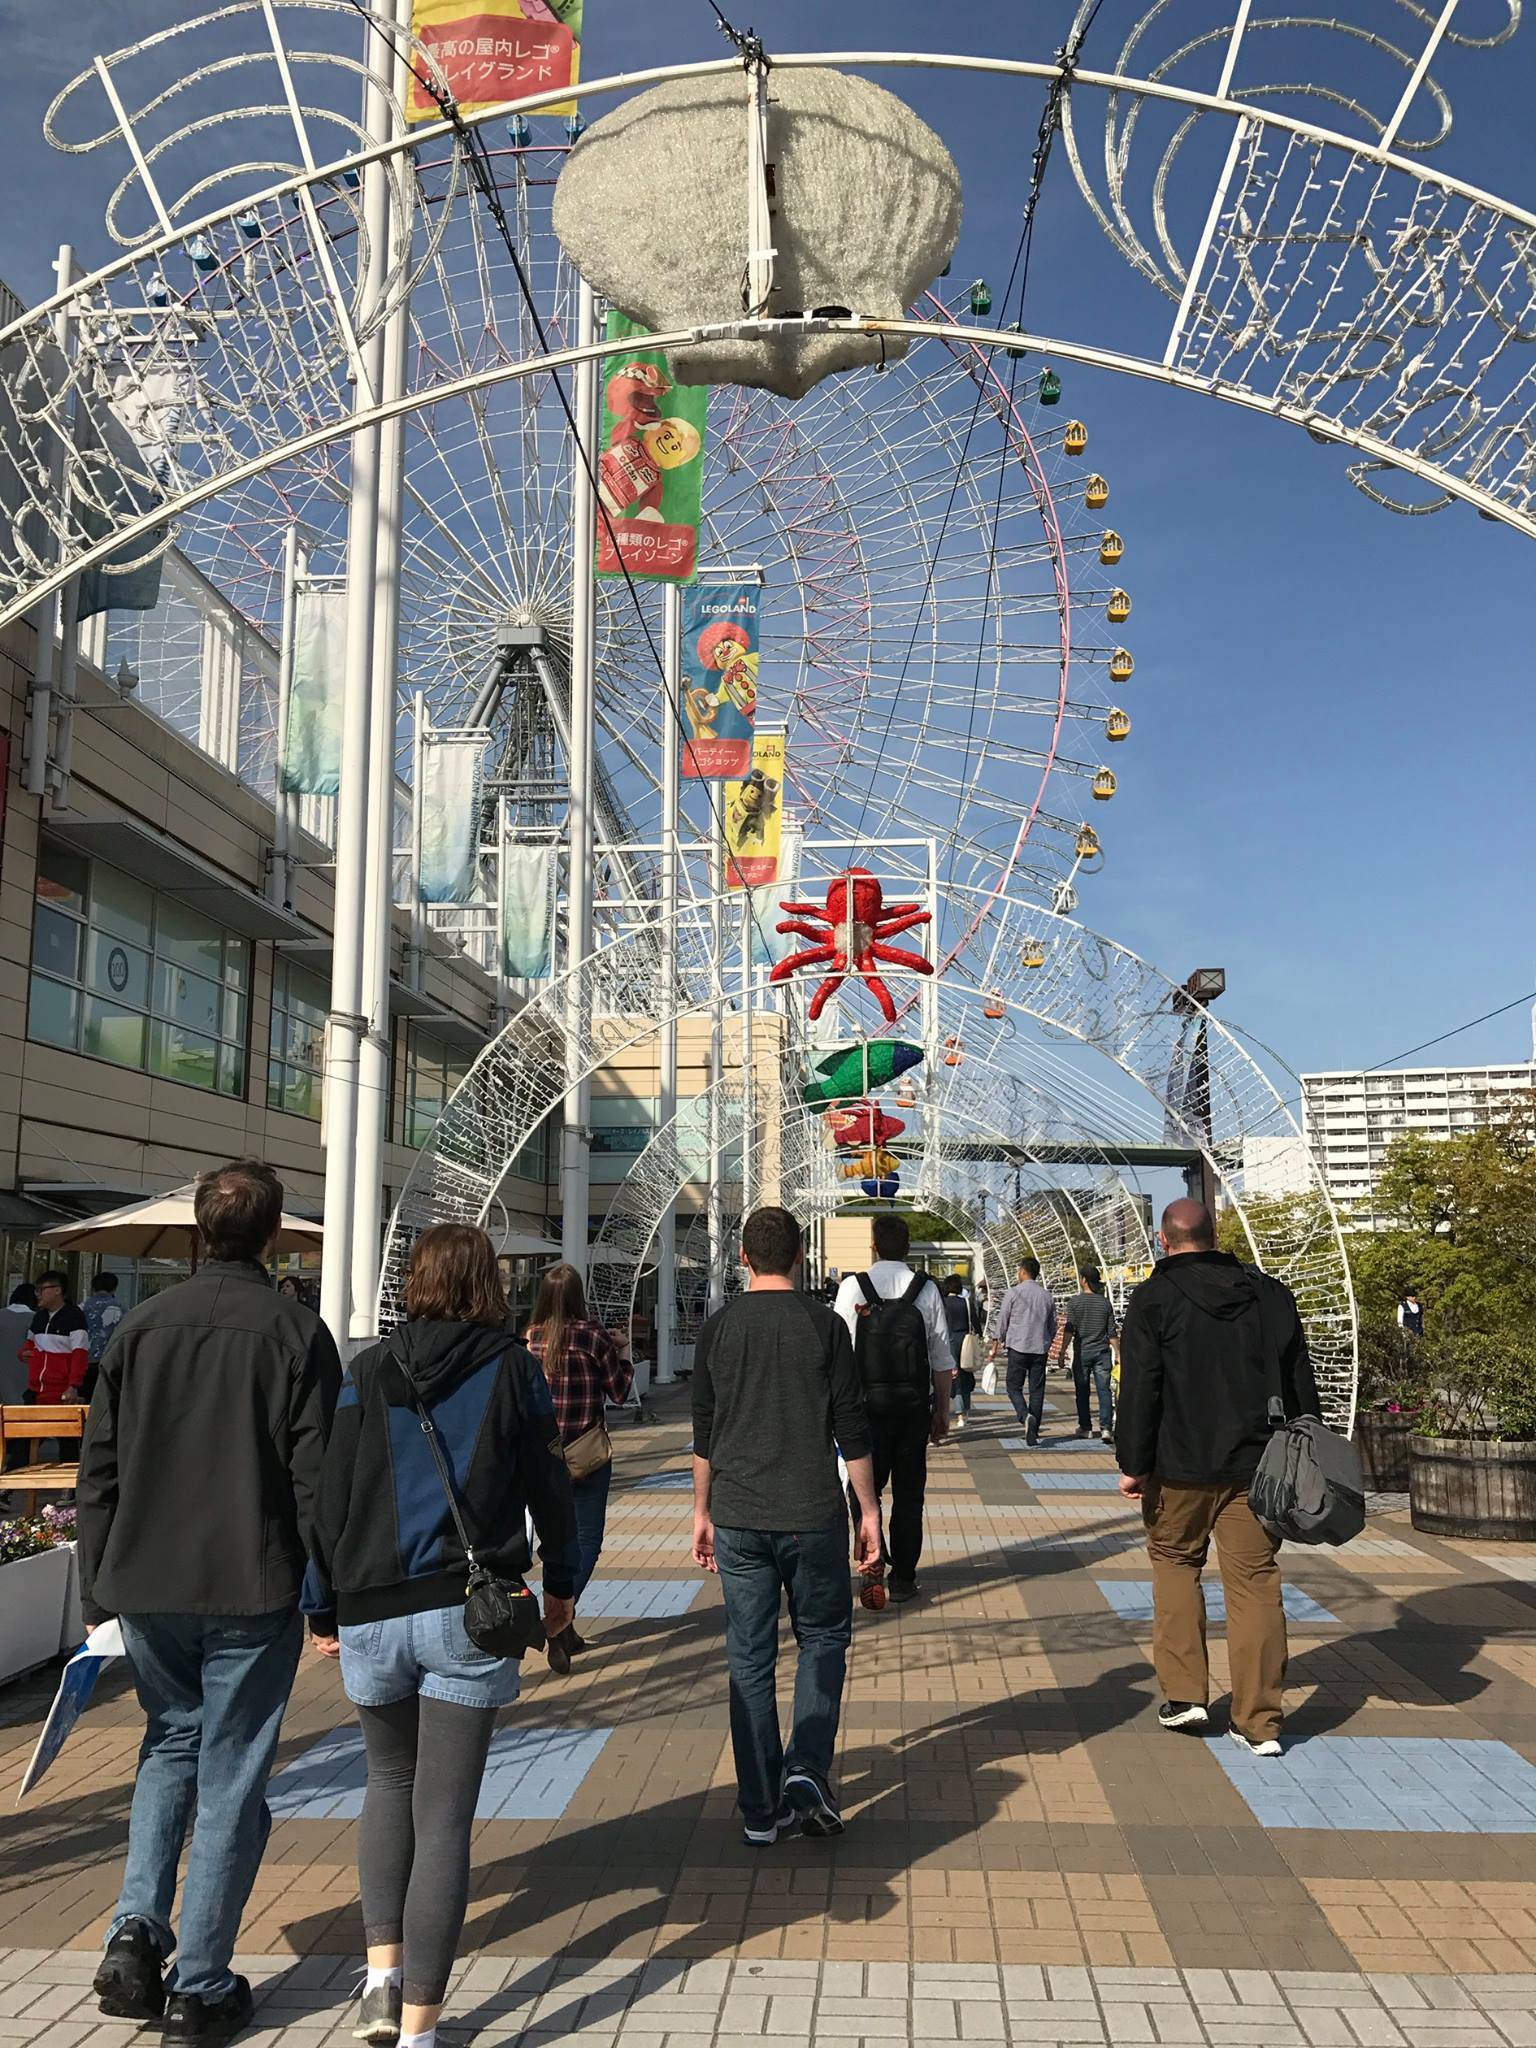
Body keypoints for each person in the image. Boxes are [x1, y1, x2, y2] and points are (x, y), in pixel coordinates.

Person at [78, 1161, 341, 2041]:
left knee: (169, 1744)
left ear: (199, 1230)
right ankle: (200, 1980)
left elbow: (99, 1468)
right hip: (251, 1580)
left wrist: (93, 1590)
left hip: (146, 1578)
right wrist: (326, 1597)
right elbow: (315, 1482)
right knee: (232, 1772)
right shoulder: (296, 1332)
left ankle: (134, 1926)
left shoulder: (140, 1328)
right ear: (272, 1235)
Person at [306, 1223, 577, 2048]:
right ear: (487, 1282)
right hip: (468, 1609)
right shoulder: (512, 1367)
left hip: (370, 1609)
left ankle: (380, 1983)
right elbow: (550, 1481)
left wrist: (320, 1607)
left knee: (387, 1784)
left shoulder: (367, 1370)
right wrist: (563, 1583)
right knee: (446, 1818)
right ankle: (422, 2030)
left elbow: (328, 1496)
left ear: (415, 1280)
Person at [692, 1207, 881, 1845]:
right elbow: (850, 1426)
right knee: (822, 1639)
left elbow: (704, 1435)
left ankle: (759, 1810)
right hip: (811, 1515)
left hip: (737, 1515)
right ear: (799, 1255)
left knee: (749, 1659)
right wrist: (869, 1511)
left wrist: (701, 1512)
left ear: (743, 1258)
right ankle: (806, 1767)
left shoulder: (717, 1330)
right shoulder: (826, 1327)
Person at [1115, 1198, 1320, 1759]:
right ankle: (1259, 1722)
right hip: (1258, 1467)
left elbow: (1141, 1388)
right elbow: (1300, 1381)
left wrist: (1133, 1464)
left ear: (1163, 1240)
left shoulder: (1154, 1298)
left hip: (1177, 1466)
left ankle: (1185, 1695)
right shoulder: (1269, 1295)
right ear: (1216, 1234)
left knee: (1176, 1565)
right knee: (1255, 1583)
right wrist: (1307, 1453)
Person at [833, 1215, 954, 1604]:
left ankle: (871, 1563)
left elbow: (838, 1354)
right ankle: (903, 1577)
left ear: (873, 1246)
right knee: (909, 1495)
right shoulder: (926, 1289)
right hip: (912, 1410)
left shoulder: (853, 1287)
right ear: (907, 1247)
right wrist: (942, 1411)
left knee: (863, 1492)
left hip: (863, 1411)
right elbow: (941, 1357)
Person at [524, 1261, 633, 1672]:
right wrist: (623, 1352)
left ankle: (564, 1627)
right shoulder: (594, 1336)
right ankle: (557, 1622)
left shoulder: (531, 1339)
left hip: (542, 1458)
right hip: (587, 1457)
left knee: (554, 1543)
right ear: (577, 1296)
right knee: (587, 1541)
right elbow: (619, 1393)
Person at [990, 1257, 1057, 1445]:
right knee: (1037, 1389)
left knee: (1013, 1386)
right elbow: (1053, 1325)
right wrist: (1047, 1341)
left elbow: (1002, 1320)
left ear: (1023, 1271)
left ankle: (1024, 1415)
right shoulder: (1047, 1295)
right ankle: (1033, 1429)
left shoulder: (1013, 1293)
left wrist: (995, 1344)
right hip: (1040, 1349)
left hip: (1018, 1348)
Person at [1065, 1267, 1117, 1443]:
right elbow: (1111, 1332)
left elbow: (1069, 1330)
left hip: (1082, 1353)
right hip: (1102, 1353)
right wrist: (1118, 1353)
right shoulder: (1105, 1303)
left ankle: (1085, 1427)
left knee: (1082, 1391)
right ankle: (1106, 1428)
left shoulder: (1074, 1302)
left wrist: (1062, 1352)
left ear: (1084, 1280)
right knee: (1104, 1390)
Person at [24, 1269, 90, 1403]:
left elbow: (80, 1354)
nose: (38, 1294)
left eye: (41, 1289)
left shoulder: (74, 1316)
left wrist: (73, 1386)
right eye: (37, 1290)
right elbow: (30, 1343)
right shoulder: (39, 1317)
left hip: (61, 1391)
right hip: (35, 1389)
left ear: (57, 1290)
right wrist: (24, 1353)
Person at [940, 1275, 973, 1429]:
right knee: (966, 1374)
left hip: (949, 1342)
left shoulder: (943, 1303)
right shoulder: (966, 1302)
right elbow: (975, 1323)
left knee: (955, 1377)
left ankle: (960, 1414)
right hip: (966, 1341)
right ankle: (966, 1411)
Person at [83, 1272, 125, 1381]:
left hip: (83, 1360)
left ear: (93, 1288)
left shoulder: (81, 1307)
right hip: (110, 1361)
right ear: (114, 1288)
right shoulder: (121, 1309)